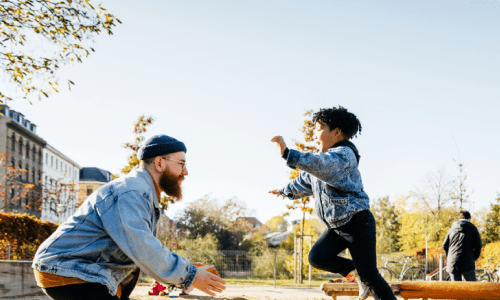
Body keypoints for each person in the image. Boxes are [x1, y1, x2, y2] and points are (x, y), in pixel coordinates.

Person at [32, 135, 226, 300]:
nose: (185, 172)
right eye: (181, 164)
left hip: (84, 271)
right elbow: (142, 246)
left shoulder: (143, 193)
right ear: (159, 163)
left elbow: (142, 249)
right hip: (67, 269)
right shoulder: (131, 191)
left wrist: (185, 268)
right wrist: (189, 274)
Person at [269, 106, 396, 300]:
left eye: (319, 129)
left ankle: (363, 275)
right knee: (317, 258)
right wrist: (285, 190)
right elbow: (304, 181)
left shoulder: (344, 155)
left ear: (336, 132)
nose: (314, 135)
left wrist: (288, 153)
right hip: (337, 226)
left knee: (371, 276)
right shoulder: (322, 163)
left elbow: (321, 164)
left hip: (357, 224)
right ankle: (354, 271)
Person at [442, 210, 482, 281]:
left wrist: (450, 256)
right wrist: (473, 258)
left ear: (459, 218)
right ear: (469, 218)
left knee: (456, 289)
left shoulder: (451, 229)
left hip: (453, 263)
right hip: (468, 263)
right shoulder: (473, 229)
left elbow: (444, 246)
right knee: (473, 289)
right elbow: (478, 246)